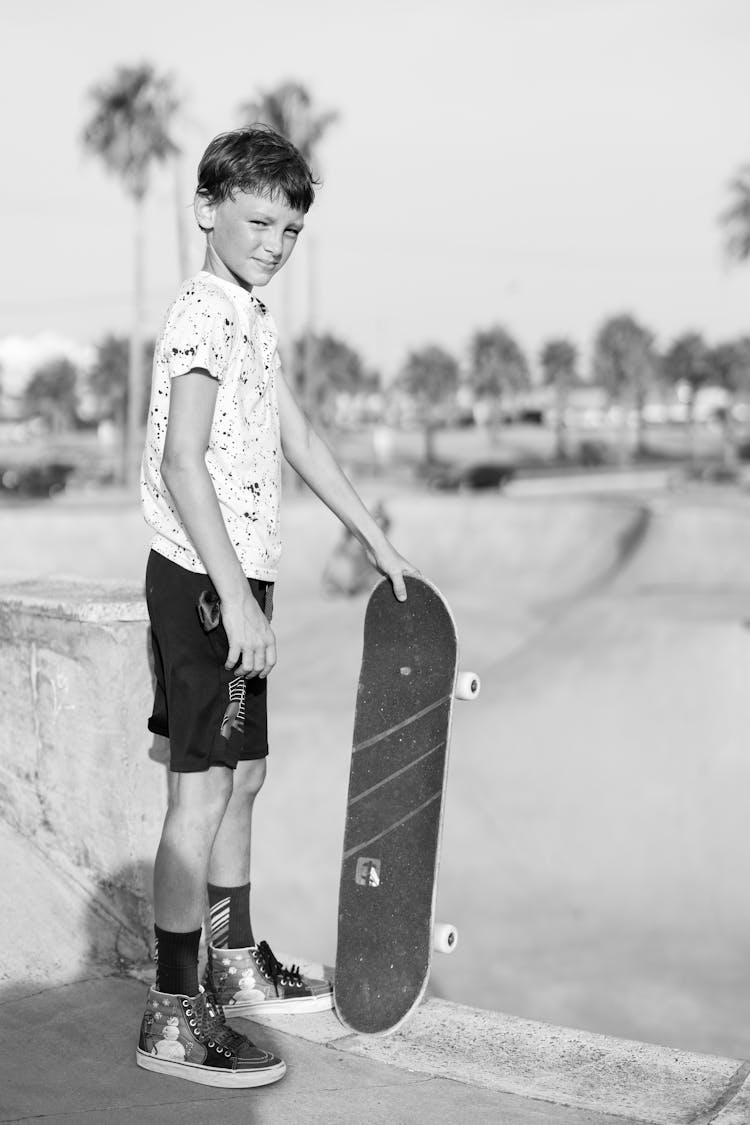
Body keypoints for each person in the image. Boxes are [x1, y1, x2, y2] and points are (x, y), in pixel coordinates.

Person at [136, 126, 417, 1088]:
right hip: (203, 582)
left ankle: (232, 955)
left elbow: (294, 432)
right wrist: (230, 598)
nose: (275, 241)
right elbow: (183, 463)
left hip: (241, 579)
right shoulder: (202, 314)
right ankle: (175, 1011)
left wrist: (373, 538)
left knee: (244, 774)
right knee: (199, 792)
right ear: (207, 208)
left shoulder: (249, 314)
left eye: (291, 228)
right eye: (259, 220)